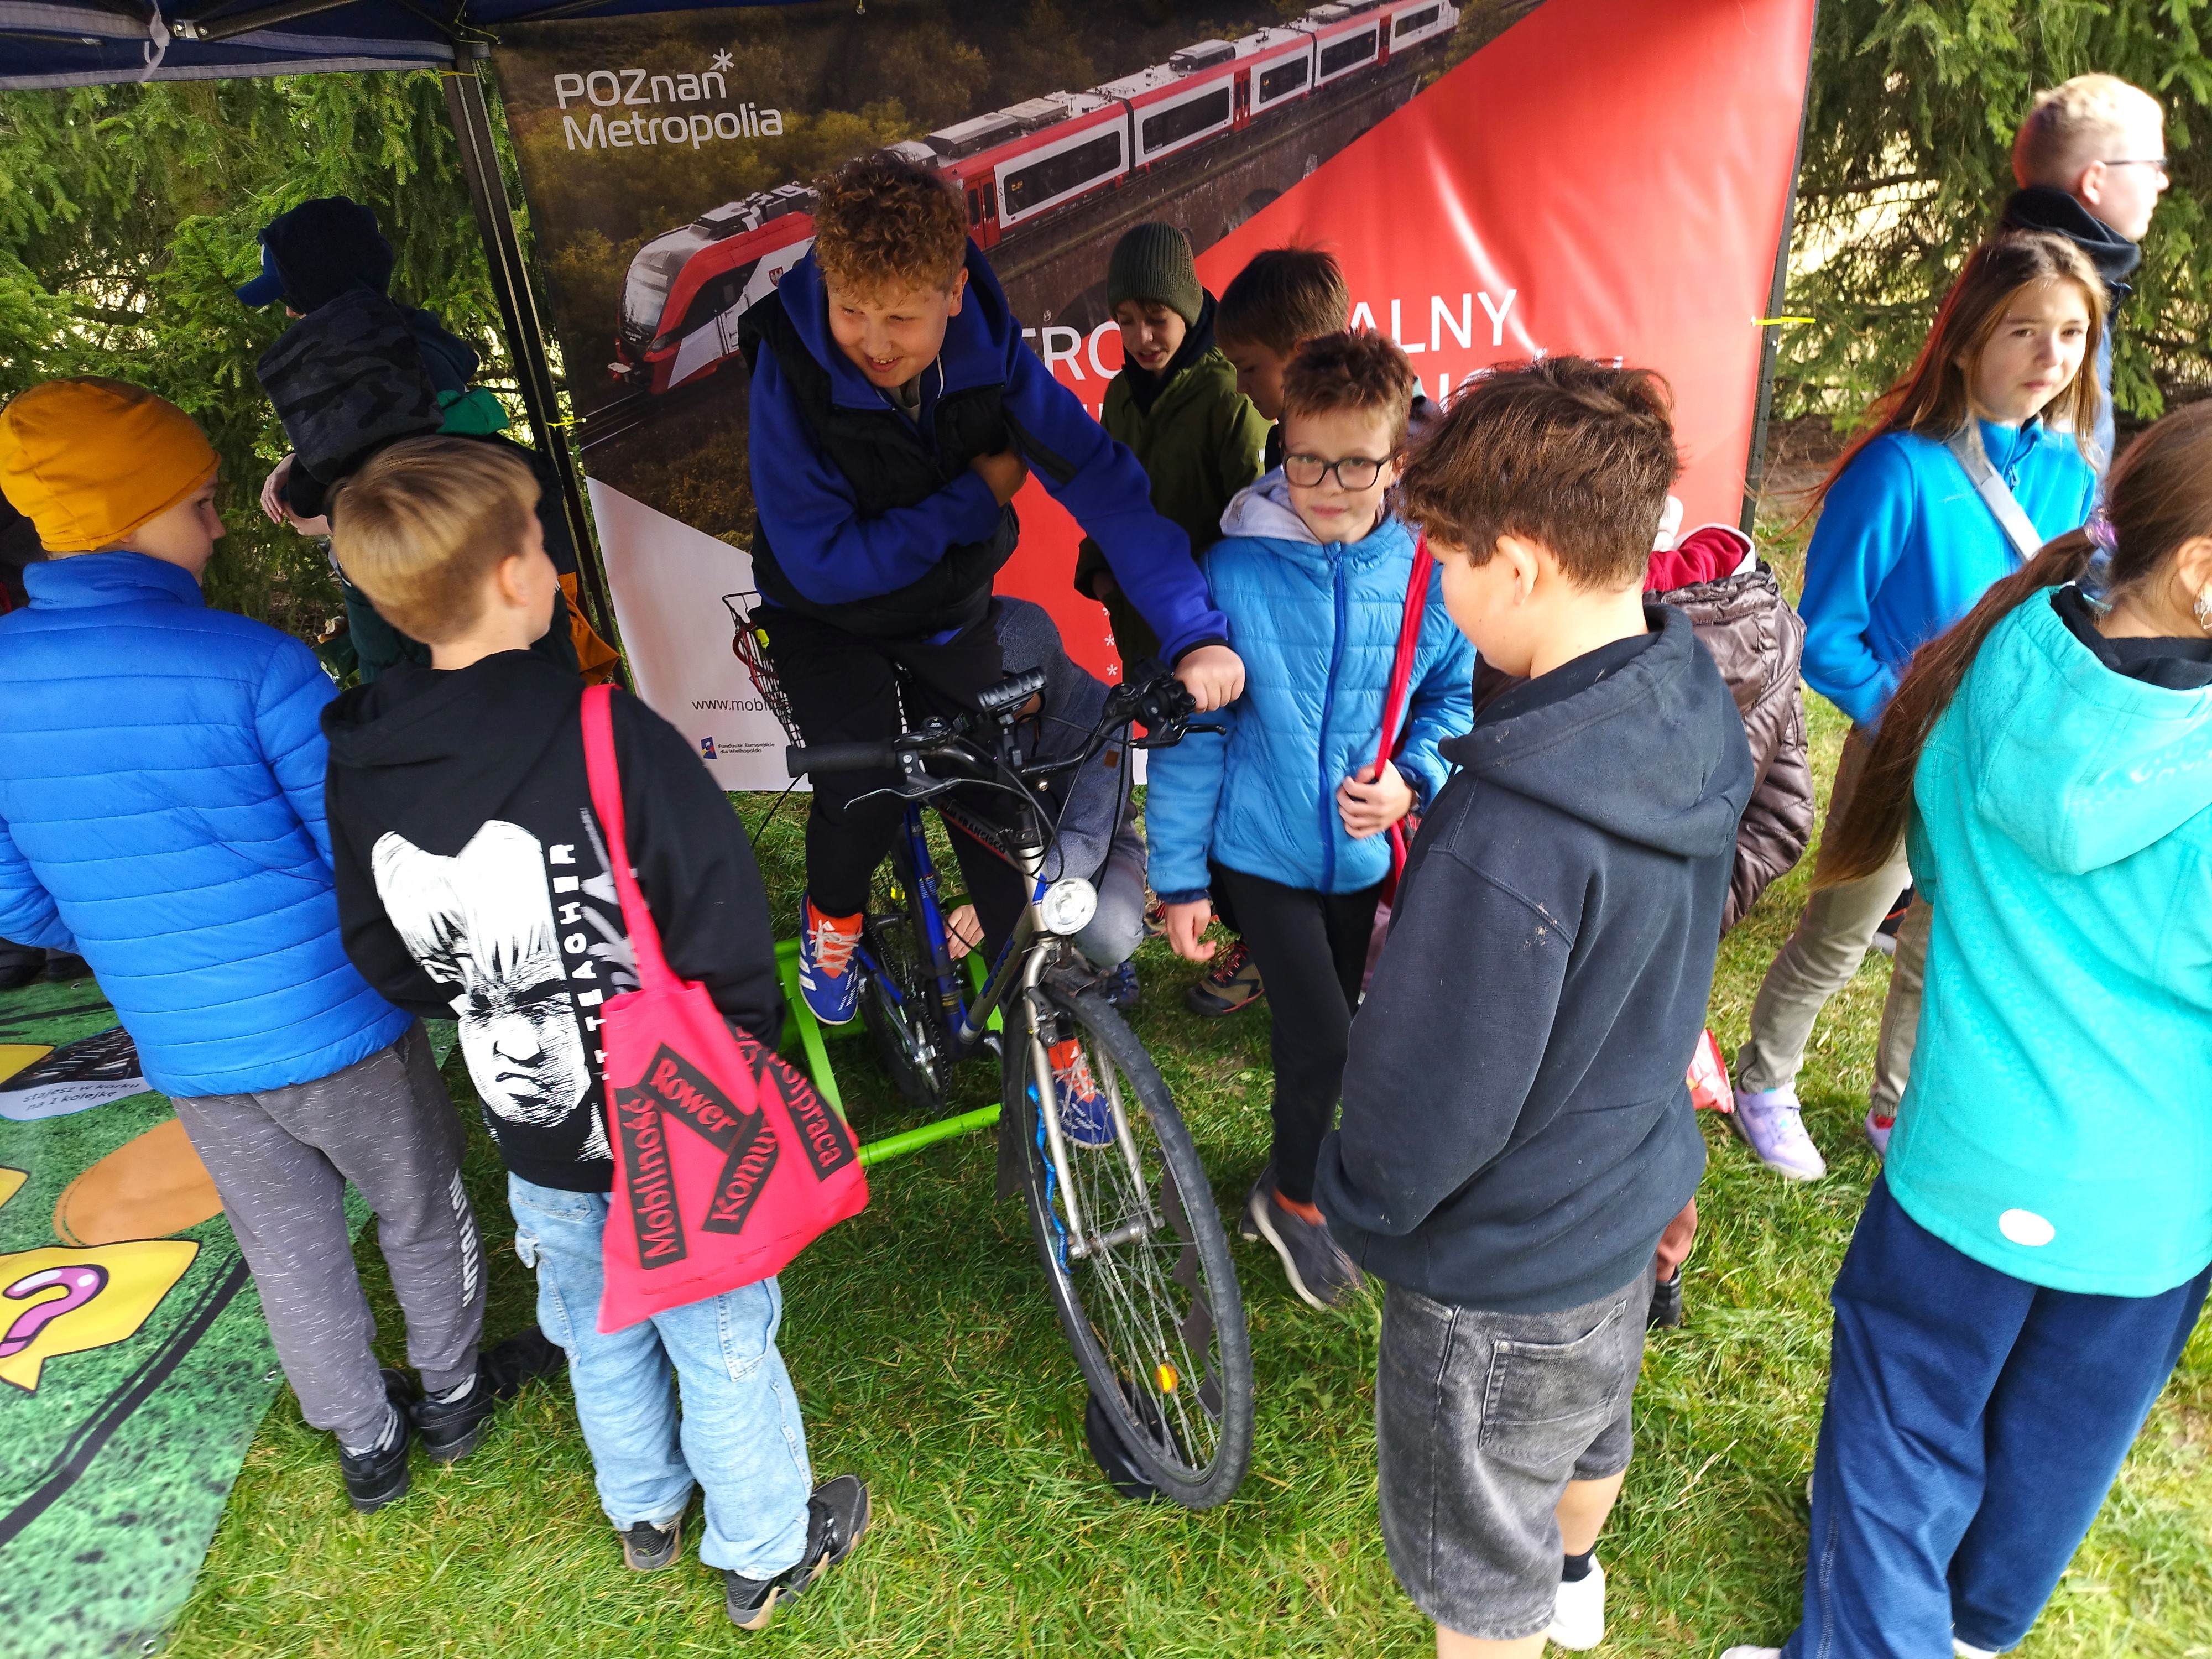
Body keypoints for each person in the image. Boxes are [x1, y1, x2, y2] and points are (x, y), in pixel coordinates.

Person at [320, 437, 865, 1628]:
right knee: (717, 1325)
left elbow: (381, 951)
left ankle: (643, 1508)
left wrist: (481, 995)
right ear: (522, 575)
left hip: (530, 1125)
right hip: (675, 1116)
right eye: (540, 535)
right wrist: (742, 1042)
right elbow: (717, 905)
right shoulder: (605, 727)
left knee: (592, 1313)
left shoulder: (361, 762)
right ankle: (767, 1544)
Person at [0, 378, 554, 1514]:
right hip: (335, 1016)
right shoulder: (252, 665)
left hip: (187, 1044)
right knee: (417, 1199)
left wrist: (135, 941)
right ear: (130, 516)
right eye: (200, 504)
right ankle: (450, 1397)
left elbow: (21, 907)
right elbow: (359, 845)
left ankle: (364, 1443)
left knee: (285, 1241)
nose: (216, 525)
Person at [1720, 404, 2212, 1659]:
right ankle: (1959, 1631)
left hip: (1965, 1156)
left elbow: (1930, 855)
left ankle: (1896, 1629)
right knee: (2062, 1435)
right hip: (2150, 1206)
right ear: (2203, 571)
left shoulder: (2002, 649)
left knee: (1901, 1416)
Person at [1314, 357, 1752, 1657]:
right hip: (1622, 1204)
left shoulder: (1512, 831)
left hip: (1497, 1271)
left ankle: (1525, 1615)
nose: (1441, 592)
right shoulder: (1685, 700)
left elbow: (1433, 1085)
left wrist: (1358, 1197)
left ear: (1517, 563)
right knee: (1588, 1431)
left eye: (1446, 563)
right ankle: (1577, 1585)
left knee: (1477, 1569)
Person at [739, 152, 1245, 1031]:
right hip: (823, 616)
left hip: (940, 609)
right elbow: (823, 559)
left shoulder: (993, 359)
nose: (873, 342)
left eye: (901, 316)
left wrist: (1192, 632)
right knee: (862, 790)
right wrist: (975, 497)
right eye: (851, 310)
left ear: (952, 295)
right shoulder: (791, 363)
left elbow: (1107, 486)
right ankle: (835, 914)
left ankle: (1049, 1031)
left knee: (1002, 809)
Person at [1731, 230, 2103, 1179]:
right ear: (1969, 337)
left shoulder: (2074, 474)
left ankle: (1897, 1109)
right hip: (1902, 749)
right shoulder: (1899, 471)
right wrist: (1907, 710)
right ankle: (1763, 1081)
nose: (2050, 358)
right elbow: (1827, 631)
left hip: (2006, 758)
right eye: (2025, 331)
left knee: (1944, 940)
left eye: (2071, 334)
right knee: (1846, 929)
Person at [1150, 332, 1473, 1310]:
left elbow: (1452, 698)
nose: (1326, 486)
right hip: (1261, 854)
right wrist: (1179, 878)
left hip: (1362, 859)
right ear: (1279, 443)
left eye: (1355, 464)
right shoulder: (1234, 569)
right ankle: (1293, 1200)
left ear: (1398, 459)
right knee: (1334, 1041)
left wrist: (1412, 781)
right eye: (1303, 460)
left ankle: (1296, 1163)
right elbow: (1197, 735)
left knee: (1317, 1039)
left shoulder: (1427, 570)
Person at [238, 195, 613, 682]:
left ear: (322, 287)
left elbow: (417, 500)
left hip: (456, 647)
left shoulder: (377, 374)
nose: (290, 316)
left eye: (294, 298)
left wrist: (334, 509)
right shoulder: (411, 349)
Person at [1068, 222, 1270, 1018]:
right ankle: (1198, 894)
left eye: (1158, 316)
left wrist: (1218, 623)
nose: (1142, 335)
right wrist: (1097, 563)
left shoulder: (1225, 394)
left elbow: (1252, 524)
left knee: (1231, 783)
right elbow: (1112, 498)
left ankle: (1254, 944)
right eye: (1126, 318)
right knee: (1182, 769)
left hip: (1215, 636)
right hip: (1145, 626)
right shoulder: (1122, 392)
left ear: (1189, 309)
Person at [1182, 246, 1353, 1021]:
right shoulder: (1283, 437)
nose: (1243, 387)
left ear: (1302, 354)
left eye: (1249, 367)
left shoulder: (1390, 444)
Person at [1999, 74, 2169, 469]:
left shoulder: (2026, 276)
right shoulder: (2048, 298)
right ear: (2094, 181)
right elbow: (2052, 483)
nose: (2163, 181)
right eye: (2153, 165)